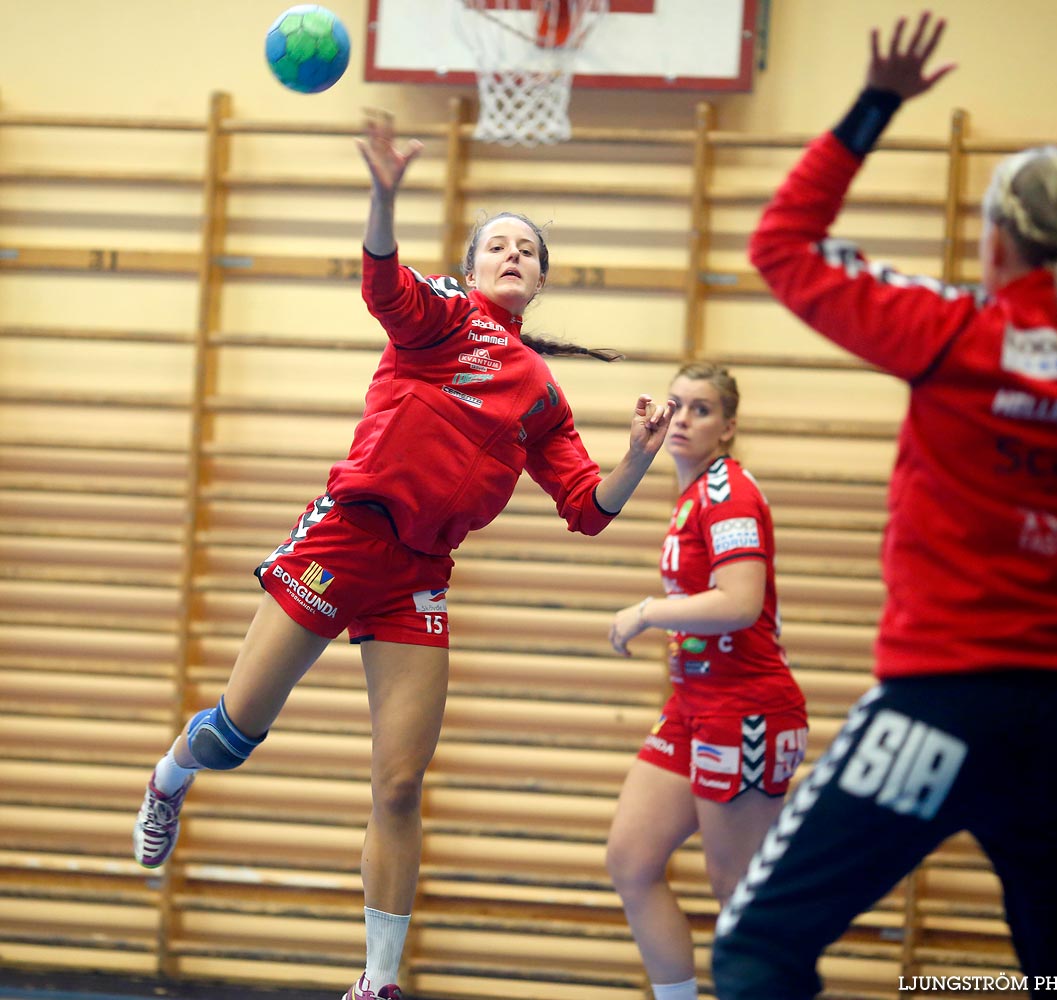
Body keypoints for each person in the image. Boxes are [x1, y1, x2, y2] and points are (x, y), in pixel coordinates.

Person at [132, 109, 675, 1000]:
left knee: (398, 784)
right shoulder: (444, 319)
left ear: (539, 281)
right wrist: (383, 199)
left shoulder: (541, 394)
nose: (512, 256)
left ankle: (377, 983)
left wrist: (640, 458)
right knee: (236, 733)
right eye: (497, 244)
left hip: (417, 575)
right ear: (470, 266)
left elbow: (587, 509)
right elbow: (383, 287)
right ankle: (168, 778)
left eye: (527, 251)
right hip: (345, 539)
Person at [711, 14, 1057, 999]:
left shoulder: (954, 334)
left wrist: (873, 103)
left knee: (757, 947)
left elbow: (782, 245)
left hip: (936, 708)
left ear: (997, 239)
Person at [605, 361, 808, 1000]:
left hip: (745, 710)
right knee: (632, 861)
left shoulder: (729, 493)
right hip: (694, 708)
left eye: (701, 409)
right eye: (676, 405)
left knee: (740, 896)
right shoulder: (693, 493)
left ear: (728, 428)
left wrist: (647, 611)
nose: (684, 419)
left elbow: (740, 601)